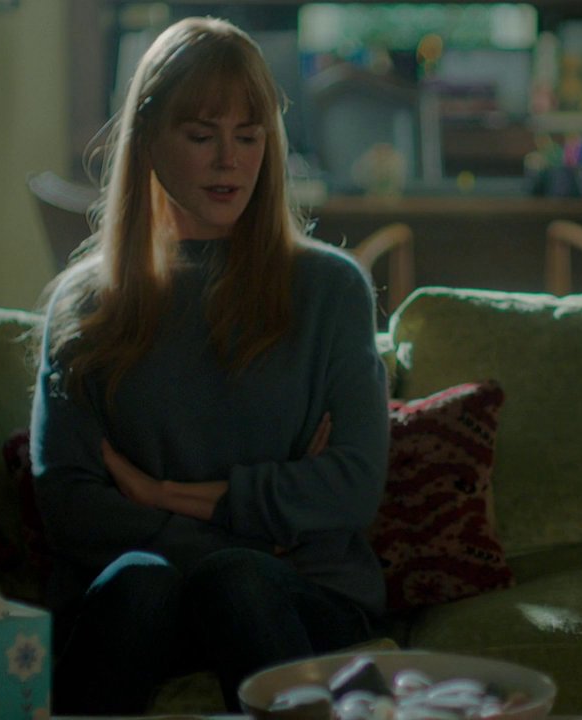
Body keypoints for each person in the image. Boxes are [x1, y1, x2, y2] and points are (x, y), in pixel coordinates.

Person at [29, 16, 390, 714]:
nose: (230, 161)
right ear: (148, 140)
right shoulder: (87, 303)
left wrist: (158, 494)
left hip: (298, 594)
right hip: (145, 599)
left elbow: (351, 486)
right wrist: (256, 517)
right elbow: (71, 503)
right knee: (144, 580)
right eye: (201, 136)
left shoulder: (330, 289)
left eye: (249, 137)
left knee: (237, 580)